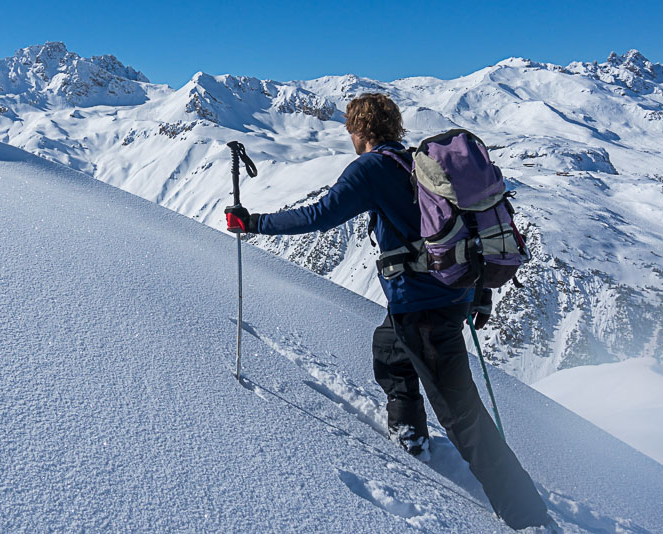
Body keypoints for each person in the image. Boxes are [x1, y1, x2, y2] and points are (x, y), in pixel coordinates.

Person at [225, 93, 551, 531]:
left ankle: (525, 513)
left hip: (425, 308)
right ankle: (410, 434)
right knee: (390, 350)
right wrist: (477, 293)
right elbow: (460, 230)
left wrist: (254, 223)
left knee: (460, 412)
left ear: (357, 130)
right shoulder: (414, 162)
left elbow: (321, 215)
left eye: (349, 128)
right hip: (446, 296)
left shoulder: (373, 168)